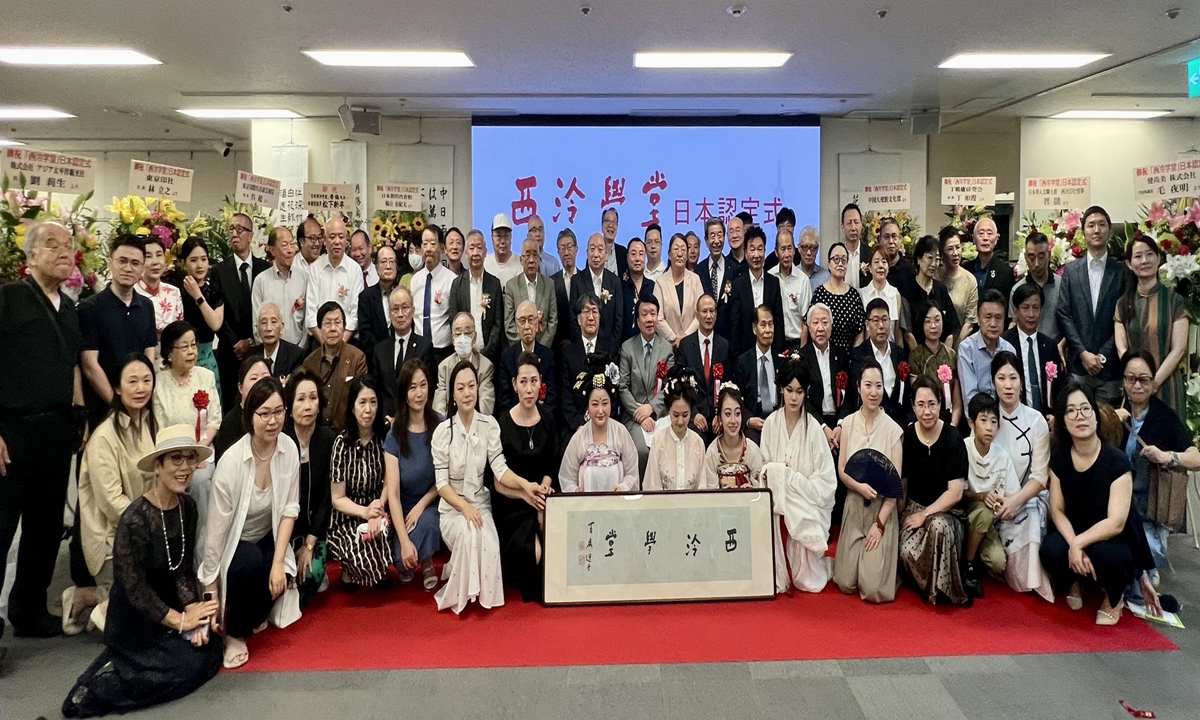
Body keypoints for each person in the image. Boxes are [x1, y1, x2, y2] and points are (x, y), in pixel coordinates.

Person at [61, 426, 222, 718]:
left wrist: (194, 612)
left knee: (209, 650)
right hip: (136, 621)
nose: (184, 468)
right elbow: (134, 590)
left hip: (169, 609)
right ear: (157, 466)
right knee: (177, 668)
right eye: (175, 459)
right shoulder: (134, 519)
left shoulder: (188, 506)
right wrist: (180, 621)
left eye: (189, 459)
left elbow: (183, 570)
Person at [0, 221, 85, 639]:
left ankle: (29, 610)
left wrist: (79, 416)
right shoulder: (9, 300)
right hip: (12, 431)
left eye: (69, 245)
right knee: (2, 529)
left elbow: (72, 367)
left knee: (46, 527)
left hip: (56, 430)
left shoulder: (68, 308)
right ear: (30, 256)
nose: (64, 251)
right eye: (53, 245)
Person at [1040, 382, 1161, 625]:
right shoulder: (1061, 459)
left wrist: (1080, 543)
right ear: (1063, 421)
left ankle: (1115, 599)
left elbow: (1117, 523)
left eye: (1086, 409)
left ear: (1096, 416)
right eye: (1071, 411)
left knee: (1106, 555)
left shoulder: (1116, 461)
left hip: (1109, 537)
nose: (1080, 416)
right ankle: (1077, 580)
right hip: (1074, 530)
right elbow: (1057, 510)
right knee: (1051, 550)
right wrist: (1074, 542)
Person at [200, 377, 299, 669]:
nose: (273, 421)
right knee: (250, 562)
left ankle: (254, 614)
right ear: (250, 416)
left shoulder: (289, 449)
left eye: (279, 411)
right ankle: (234, 634)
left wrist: (280, 561)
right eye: (264, 413)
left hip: (267, 533)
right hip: (234, 542)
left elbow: (289, 510)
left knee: (275, 568)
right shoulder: (232, 462)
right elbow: (215, 534)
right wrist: (210, 591)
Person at [432, 361, 540, 613]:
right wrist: (464, 508)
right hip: (453, 508)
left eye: (471, 386)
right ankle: (460, 594)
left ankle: (476, 590)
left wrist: (525, 485)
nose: (467, 393)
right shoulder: (442, 432)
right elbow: (442, 485)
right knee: (468, 534)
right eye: (461, 388)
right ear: (453, 395)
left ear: (478, 389)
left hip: (481, 505)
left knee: (490, 544)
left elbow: (500, 469)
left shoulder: (489, 425)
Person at [64, 355, 157, 636]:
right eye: (132, 381)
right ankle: (103, 599)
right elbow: (112, 503)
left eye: (146, 380)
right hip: (111, 538)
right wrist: (152, 523)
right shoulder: (104, 437)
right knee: (141, 620)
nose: (140, 388)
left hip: (143, 528)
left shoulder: (152, 423)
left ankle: (89, 597)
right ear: (116, 387)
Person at [1115, 351, 1200, 597]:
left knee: (1135, 573)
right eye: (1131, 378)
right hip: (1116, 505)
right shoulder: (1114, 409)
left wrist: (1169, 456)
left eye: (1143, 379)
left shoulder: (1165, 416)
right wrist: (1107, 419)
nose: (1137, 385)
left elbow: (1196, 459)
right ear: (1123, 381)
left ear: (1153, 383)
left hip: (1150, 510)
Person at [759, 361, 838, 593]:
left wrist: (789, 478)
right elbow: (764, 470)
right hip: (775, 501)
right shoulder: (771, 424)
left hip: (805, 500)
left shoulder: (814, 429)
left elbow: (826, 482)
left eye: (799, 392)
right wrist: (778, 476)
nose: (794, 398)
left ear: (807, 393)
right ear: (781, 389)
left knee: (808, 582)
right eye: (789, 390)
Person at [833, 359, 903, 603]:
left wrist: (880, 524)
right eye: (868, 385)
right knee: (844, 583)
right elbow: (842, 470)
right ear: (858, 387)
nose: (874, 392)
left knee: (872, 590)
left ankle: (889, 567)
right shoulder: (848, 423)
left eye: (879, 386)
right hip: (854, 506)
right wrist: (859, 487)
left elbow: (894, 488)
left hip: (882, 510)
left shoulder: (894, 431)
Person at [898, 376, 970, 606]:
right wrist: (900, 518)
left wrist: (925, 514)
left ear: (941, 404)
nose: (927, 411)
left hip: (947, 512)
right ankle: (926, 584)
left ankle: (941, 592)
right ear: (913, 406)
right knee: (905, 552)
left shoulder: (952, 437)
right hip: (914, 507)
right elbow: (904, 485)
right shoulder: (907, 437)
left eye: (932, 404)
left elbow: (956, 492)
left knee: (939, 528)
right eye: (921, 404)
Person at [991, 351, 1055, 602]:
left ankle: (1036, 580)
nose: (1008, 385)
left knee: (1033, 512)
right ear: (993, 381)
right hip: (994, 502)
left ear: (1022, 381)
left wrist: (1015, 501)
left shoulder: (1036, 420)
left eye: (1013, 378)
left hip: (1027, 498)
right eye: (1001, 378)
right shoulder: (987, 417)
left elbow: (1040, 477)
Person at [496, 352, 560, 601]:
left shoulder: (549, 419)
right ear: (514, 384)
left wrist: (544, 487)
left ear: (541, 383)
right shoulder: (502, 423)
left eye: (534, 381)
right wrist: (526, 494)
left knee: (552, 546)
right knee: (532, 554)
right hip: (513, 504)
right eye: (523, 382)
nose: (529, 388)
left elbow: (551, 465)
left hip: (543, 498)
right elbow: (498, 483)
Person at [153, 321, 223, 540]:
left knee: (201, 481)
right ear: (169, 353)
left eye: (193, 345)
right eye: (185, 347)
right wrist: (181, 458)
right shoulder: (158, 383)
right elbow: (160, 427)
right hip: (170, 454)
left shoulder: (206, 377)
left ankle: (202, 546)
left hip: (201, 454)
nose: (192, 351)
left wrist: (198, 452)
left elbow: (214, 421)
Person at [80, 234, 158, 426]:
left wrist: (139, 395)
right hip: (103, 408)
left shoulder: (146, 305)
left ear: (141, 268)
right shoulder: (90, 308)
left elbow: (148, 353)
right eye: (122, 261)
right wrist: (118, 405)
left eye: (135, 263)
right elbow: (89, 365)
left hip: (138, 404)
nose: (128, 268)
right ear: (110, 263)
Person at [327, 377, 393, 591]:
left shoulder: (385, 438)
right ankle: (350, 571)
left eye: (373, 402)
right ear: (352, 408)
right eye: (362, 403)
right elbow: (337, 499)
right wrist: (365, 512)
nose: (368, 410)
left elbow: (389, 482)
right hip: (349, 514)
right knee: (359, 551)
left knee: (380, 539)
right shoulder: (341, 443)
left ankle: (374, 571)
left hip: (378, 508)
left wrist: (377, 509)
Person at [1115, 233, 1190, 418]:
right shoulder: (1123, 303)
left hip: (1167, 387)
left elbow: (1179, 349)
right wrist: (1136, 381)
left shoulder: (1175, 301)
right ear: (1130, 264)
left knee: (1170, 442)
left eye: (1150, 254)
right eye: (1138, 256)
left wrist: (1153, 383)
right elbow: (1121, 346)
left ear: (1158, 259)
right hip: (1135, 388)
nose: (1144, 260)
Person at [1056, 206, 1125, 404]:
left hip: (1110, 368)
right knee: (1078, 423)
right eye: (1091, 225)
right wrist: (1083, 353)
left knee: (1110, 428)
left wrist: (1102, 356)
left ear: (1110, 231)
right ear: (1083, 232)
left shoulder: (1121, 272)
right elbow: (1064, 314)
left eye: (1102, 225)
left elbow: (1124, 317)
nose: (1097, 230)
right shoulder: (1070, 271)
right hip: (1078, 365)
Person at [382, 360, 441, 591]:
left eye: (423, 385)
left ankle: (426, 561)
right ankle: (415, 552)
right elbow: (393, 494)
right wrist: (405, 540)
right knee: (401, 557)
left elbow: (444, 481)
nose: (419, 393)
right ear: (404, 394)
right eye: (412, 387)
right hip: (403, 510)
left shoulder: (440, 425)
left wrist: (422, 506)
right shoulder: (394, 435)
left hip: (432, 504)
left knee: (427, 523)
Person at [960, 392, 1020, 597]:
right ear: (971, 423)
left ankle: (975, 556)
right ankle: (968, 565)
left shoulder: (1002, 456)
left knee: (998, 562)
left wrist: (1004, 505)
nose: (989, 427)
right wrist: (980, 496)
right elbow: (956, 492)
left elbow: (1013, 496)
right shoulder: (962, 448)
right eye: (983, 420)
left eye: (994, 422)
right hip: (962, 514)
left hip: (990, 522)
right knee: (983, 511)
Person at [283, 370, 334, 606]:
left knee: (310, 575)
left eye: (313, 398)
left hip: (316, 530)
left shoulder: (329, 440)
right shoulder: (281, 442)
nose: (308, 406)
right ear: (289, 405)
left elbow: (327, 498)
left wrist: (309, 545)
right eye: (300, 399)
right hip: (285, 532)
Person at [211, 213, 270, 409]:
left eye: (240, 229)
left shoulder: (265, 269)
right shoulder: (219, 271)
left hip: (258, 348)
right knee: (232, 404)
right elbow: (217, 312)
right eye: (231, 229)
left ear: (251, 236)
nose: (234, 234)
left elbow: (267, 309)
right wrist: (235, 342)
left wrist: (251, 341)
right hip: (230, 351)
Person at [560, 366, 641, 492]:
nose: (600, 410)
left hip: (617, 504)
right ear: (587, 406)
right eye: (595, 404)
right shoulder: (580, 436)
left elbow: (632, 472)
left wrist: (622, 487)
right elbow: (566, 477)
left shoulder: (621, 432)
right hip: (586, 506)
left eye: (605, 403)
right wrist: (575, 491)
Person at [619, 295, 674, 474]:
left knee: (665, 451)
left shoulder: (666, 349)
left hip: (661, 415)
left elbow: (670, 386)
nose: (649, 319)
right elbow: (623, 387)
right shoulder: (627, 348)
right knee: (641, 452)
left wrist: (651, 408)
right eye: (645, 314)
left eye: (653, 314)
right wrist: (640, 414)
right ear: (638, 319)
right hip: (633, 416)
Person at [300, 301, 368, 431]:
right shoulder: (309, 362)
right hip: (316, 431)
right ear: (319, 329)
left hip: (347, 432)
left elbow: (361, 399)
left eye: (337, 322)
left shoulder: (357, 358)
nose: (333, 328)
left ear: (344, 326)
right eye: (327, 323)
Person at [373, 286, 433, 420]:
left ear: (413, 311)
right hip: (386, 422)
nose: (400, 314)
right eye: (395, 309)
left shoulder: (425, 346)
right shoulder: (380, 350)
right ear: (389, 314)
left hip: (416, 420)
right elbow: (378, 391)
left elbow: (429, 389)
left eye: (405, 308)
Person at [1003, 283, 1063, 417]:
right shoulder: (1005, 344)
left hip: (1047, 417)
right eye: (1025, 308)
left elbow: (1060, 387)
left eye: (1035, 308)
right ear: (1016, 311)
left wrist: (1056, 416)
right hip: (1015, 416)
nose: (1031, 314)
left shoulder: (1050, 345)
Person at [304, 216, 364, 347]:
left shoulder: (355, 270)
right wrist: (326, 344)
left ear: (346, 240)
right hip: (320, 341)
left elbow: (356, 315)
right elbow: (311, 314)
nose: (337, 241)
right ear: (325, 240)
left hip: (347, 341)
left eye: (341, 237)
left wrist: (338, 345)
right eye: (332, 237)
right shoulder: (315, 268)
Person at [449, 229, 505, 367]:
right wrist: (464, 348)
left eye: (479, 248)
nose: (475, 253)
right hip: (463, 355)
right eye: (471, 248)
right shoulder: (457, 284)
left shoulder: (494, 283)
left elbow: (498, 323)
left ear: (485, 252)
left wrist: (487, 352)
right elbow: (453, 319)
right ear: (466, 253)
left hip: (490, 356)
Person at [799, 303, 855, 440]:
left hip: (839, 422)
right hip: (812, 422)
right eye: (815, 323)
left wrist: (841, 424)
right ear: (808, 326)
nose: (820, 328)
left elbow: (849, 395)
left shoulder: (841, 355)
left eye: (825, 322)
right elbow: (802, 399)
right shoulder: (802, 357)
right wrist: (822, 427)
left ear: (831, 325)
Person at [678, 294, 730, 439]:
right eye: (704, 311)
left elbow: (729, 384)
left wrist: (721, 414)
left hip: (718, 418)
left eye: (712, 311)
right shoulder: (686, 346)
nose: (709, 316)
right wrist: (694, 414)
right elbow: (682, 386)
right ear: (697, 315)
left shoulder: (724, 346)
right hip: (695, 417)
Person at [558, 292, 610, 435]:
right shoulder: (568, 353)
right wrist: (579, 425)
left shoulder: (609, 349)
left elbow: (614, 393)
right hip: (575, 426)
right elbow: (566, 396)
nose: (591, 317)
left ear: (600, 317)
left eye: (594, 312)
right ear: (579, 319)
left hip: (605, 423)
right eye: (586, 312)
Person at [643, 375, 706, 491]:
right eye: (676, 415)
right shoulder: (659, 440)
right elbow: (652, 485)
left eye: (685, 415)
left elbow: (702, 486)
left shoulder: (698, 442)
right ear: (668, 411)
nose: (680, 421)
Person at [730, 227, 786, 358]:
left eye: (760, 249)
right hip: (745, 355)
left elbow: (779, 323)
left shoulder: (774, 283)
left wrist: (778, 354)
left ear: (765, 251)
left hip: (771, 353)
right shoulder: (738, 285)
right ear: (745, 252)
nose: (756, 255)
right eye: (752, 249)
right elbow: (735, 327)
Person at [174, 238, 223, 385]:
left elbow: (215, 324)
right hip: (181, 359)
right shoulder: (175, 291)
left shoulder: (215, 291)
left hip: (207, 359)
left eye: (203, 259)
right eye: (193, 260)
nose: (200, 265)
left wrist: (197, 295)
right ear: (184, 263)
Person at [851, 298, 908, 419]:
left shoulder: (900, 354)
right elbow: (855, 398)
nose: (881, 326)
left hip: (900, 423)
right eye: (876, 321)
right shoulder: (858, 356)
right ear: (867, 325)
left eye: (884, 320)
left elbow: (908, 395)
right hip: (871, 422)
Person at [252, 226, 308, 349]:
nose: (290, 250)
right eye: (284, 245)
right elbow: (257, 324)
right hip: (269, 352)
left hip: (298, 352)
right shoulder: (261, 281)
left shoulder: (304, 278)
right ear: (272, 250)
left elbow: (307, 322)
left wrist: (300, 350)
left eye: (292, 244)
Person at [497, 300, 558, 413]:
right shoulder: (507, 358)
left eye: (530, 320)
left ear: (537, 324)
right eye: (522, 321)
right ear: (516, 326)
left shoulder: (548, 356)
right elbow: (504, 401)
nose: (526, 326)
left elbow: (551, 399)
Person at [957, 290, 1016, 405]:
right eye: (988, 317)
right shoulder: (966, 349)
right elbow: (970, 397)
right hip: (978, 417)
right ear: (978, 319)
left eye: (998, 317)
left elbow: (1013, 392)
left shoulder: (1009, 350)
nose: (993, 324)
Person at [909, 304, 963, 426]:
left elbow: (956, 399)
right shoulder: (915, 356)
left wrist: (953, 424)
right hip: (924, 415)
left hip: (948, 417)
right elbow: (916, 396)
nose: (933, 326)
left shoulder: (951, 355)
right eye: (928, 321)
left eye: (937, 320)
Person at [572, 232, 624, 358]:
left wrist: (610, 350)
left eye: (600, 250)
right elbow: (573, 318)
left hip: (608, 352)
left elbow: (618, 321)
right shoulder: (577, 280)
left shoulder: (614, 281)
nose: (596, 254)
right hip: (583, 351)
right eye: (592, 249)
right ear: (587, 253)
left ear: (606, 255)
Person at [411, 224, 457, 365]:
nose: (428, 249)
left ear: (442, 248)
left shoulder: (452, 279)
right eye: (425, 244)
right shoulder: (415, 280)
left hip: (443, 351)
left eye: (432, 243)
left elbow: (454, 316)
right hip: (418, 349)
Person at [433, 312, 496, 416]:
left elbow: (486, 406)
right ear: (453, 339)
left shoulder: (486, 367)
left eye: (467, 333)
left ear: (474, 337)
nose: (462, 338)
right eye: (458, 334)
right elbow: (439, 407)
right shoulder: (444, 367)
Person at [736, 305, 780, 445]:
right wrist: (749, 420)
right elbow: (737, 399)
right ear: (754, 328)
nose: (768, 330)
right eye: (763, 325)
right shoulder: (743, 362)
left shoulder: (781, 360)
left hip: (778, 420)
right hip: (754, 421)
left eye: (771, 324)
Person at [212, 357, 271, 462]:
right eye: (254, 378)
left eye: (265, 377)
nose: (260, 383)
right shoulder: (230, 423)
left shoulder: (276, 417)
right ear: (240, 387)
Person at [704, 386, 764, 489]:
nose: (733, 420)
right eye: (727, 414)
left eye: (737, 414)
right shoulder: (712, 453)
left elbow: (762, 492)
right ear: (719, 419)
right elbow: (710, 495)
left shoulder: (752, 450)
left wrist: (751, 491)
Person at [811, 242, 865, 355]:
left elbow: (860, 331)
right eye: (836, 259)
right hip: (824, 356)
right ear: (829, 264)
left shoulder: (854, 295)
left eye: (844, 260)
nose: (840, 263)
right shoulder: (820, 294)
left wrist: (854, 358)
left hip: (850, 357)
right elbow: (812, 326)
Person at [503, 236, 558, 347]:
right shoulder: (511, 286)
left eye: (535, 255)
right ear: (521, 260)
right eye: (527, 255)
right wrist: (525, 346)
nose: (531, 260)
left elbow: (553, 321)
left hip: (543, 349)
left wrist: (539, 348)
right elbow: (509, 324)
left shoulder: (549, 284)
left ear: (539, 259)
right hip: (519, 350)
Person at [134, 236, 184, 357]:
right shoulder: (132, 293)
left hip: (171, 360)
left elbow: (180, 333)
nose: (155, 262)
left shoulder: (174, 292)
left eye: (159, 255)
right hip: (140, 361)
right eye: (148, 256)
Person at [909, 235, 961, 350]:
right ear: (918, 259)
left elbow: (952, 327)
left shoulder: (940, 289)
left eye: (937, 259)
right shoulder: (908, 289)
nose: (934, 264)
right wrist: (919, 357)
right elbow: (907, 332)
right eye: (930, 258)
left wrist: (943, 355)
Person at [653, 233, 703, 349]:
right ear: (669, 255)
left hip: (693, 345)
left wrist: (685, 338)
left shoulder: (695, 279)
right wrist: (674, 339)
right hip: (667, 346)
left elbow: (700, 313)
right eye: (676, 249)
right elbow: (658, 317)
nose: (680, 254)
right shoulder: (660, 282)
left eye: (683, 250)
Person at [1009, 231, 1060, 341]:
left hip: (1057, 350)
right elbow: (1014, 323)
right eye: (1032, 257)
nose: (1036, 263)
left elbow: (1071, 322)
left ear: (1049, 255)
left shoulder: (1062, 286)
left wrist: (1062, 345)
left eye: (1041, 257)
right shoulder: (1017, 289)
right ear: (1025, 257)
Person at [697, 217, 740, 340]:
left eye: (720, 235)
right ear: (706, 240)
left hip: (728, 339)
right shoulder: (699, 271)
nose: (716, 241)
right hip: (703, 338)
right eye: (712, 236)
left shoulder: (734, 270)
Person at [963, 216, 1014, 318]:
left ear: (995, 240)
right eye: (981, 233)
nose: (985, 238)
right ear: (974, 239)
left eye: (989, 233)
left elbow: (1007, 308)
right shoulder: (965, 269)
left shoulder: (1005, 271)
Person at [356, 244, 400, 361]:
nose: (388, 266)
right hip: (376, 359)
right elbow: (365, 334)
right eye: (384, 262)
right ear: (376, 268)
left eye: (392, 262)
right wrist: (383, 355)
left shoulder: (403, 295)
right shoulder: (366, 297)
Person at [769, 228, 811, 349]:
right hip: (774, 344)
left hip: (797, 344)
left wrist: (802, 352)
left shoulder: (803, 280)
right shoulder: (770, 277)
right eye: (783, 249)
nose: (787, 254)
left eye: (789, 248)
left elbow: (806, 321)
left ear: (794, 251)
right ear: (776, 252)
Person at [938, 226, 979, 341]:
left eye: (958, 247)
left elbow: (970, 322)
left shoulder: (970, 280)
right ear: (942, 253)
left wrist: (956, 347)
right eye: (950, 249)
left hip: (960, 341)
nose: (955, 253)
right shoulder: (934, 276)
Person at [250, 303, 304, 382]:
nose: (268, 328)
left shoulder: (296, 356)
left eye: (274, 322)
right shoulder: (250, 356)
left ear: (281, 327)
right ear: (257, 329)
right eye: (264, 323)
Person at [620, 237, 656, 343]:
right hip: (625, 348)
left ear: (645, 257)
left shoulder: (653, 286)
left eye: (641, 254)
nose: (637, 259)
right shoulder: (620, 286)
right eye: (633, 254)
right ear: (627, 257)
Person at [550, 228, 581, 349]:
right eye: (562, 249)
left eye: (569, 247)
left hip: (581, 346)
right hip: (558, 347)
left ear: (576, 249)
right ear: (558, 253)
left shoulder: (585, 279)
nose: (566, 252)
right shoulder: (552, 282)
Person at [485, 212, 524, 287]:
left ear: (511, 237)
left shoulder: (520, 265)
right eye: (498, 236)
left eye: (506, 236)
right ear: (492, 238)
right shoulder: (485, 264)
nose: (502, 241)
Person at [840, 203, 871, 289]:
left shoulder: (871, 254)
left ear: (861, 225)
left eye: (856, 222)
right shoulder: (837, 256)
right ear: (842, 227)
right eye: (849, 223)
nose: (853, 228)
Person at [796, 225, 830, 293]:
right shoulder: (793, 274)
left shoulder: (825, 277)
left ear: (817, 249)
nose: (809, 253)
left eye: (813, 248)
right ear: (799, 248)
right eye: (805, 247)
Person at [600, 207, 629, 277]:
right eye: (607, 221)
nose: (611, 225)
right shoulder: (595, 252)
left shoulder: (623, 252)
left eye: (614, 222)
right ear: (602, 226)